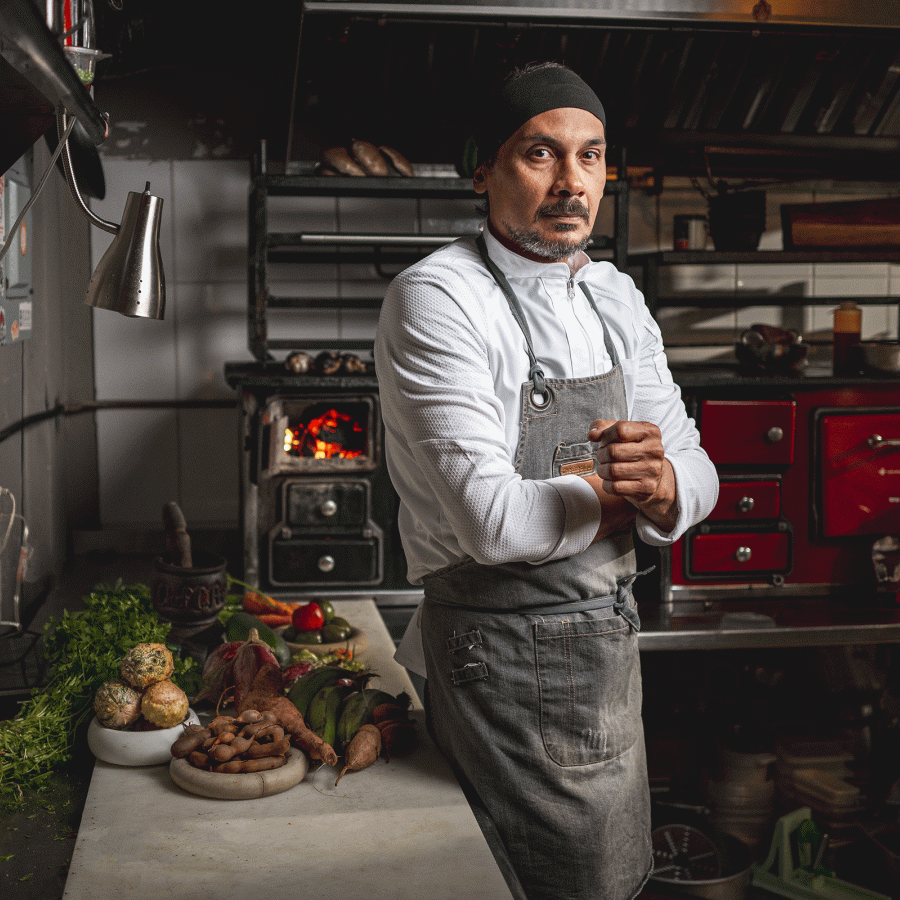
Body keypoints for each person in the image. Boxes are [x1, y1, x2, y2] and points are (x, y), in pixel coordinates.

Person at [374, 62, 718, 900]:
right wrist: (625, 491)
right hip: (498, 661)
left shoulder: (613, 296)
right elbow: (495, 527)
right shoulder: (439, 297)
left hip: (606, 649)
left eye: (591, 157)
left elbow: (699, 471)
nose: (572, 184)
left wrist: (664, 487)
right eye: (540, 154)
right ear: (484, 169)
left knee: (609, 879)